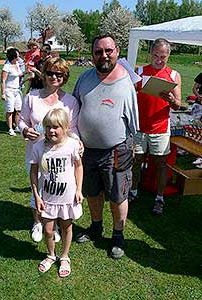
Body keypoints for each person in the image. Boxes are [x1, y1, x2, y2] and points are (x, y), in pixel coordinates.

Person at [73, 34, 139, 259]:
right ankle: (95, 227)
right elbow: (74, 108)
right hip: (87, 150)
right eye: (99, 51)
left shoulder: (125, 82)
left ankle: (118, 235)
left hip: (116, 151)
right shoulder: (84, 78)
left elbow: (134, 122)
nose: (104, 55)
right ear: (92, 55)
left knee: (117, 197)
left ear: (117, 52)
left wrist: (130, 148)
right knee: (92, 192)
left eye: (108, 50)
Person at [19, 57, 80, 244]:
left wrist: (78, 142)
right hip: (37, 152)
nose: (54, 77)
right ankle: (38, 222)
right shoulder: (32, 97)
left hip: (61, 156)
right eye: (50, 73)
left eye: (59, 74)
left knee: (57, 189)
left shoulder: (70, 101)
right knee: (37, 187)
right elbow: (21, 120)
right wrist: (24, 129)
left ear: (65, 76)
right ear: (43, 74)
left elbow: (74, 128)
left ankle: (53, 225)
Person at [129, 38, 181, 215]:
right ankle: (133, 191)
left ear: (168, 56)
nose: (159, 60)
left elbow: (178, 105)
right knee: (136, 160)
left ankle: (159, 197)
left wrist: (172, 100)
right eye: (156, 56)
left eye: (163, 57)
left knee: (160, 163)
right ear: (151, 53)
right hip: (140, 126)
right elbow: (130, 95)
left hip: (160, 127)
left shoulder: (174, 75)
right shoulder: (141, 71)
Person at [30, 108, 83, 276]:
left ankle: (65, 256)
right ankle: (51, 255)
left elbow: (79, 166)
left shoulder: (72, 145)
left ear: (66, 127)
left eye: (56, 127)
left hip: (68, 197)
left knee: (67, 227)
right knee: (48, 229)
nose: (51, 130)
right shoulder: (39, 146)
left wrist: (79, 189)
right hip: (47, 198)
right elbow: (33, 171)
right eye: (48, 127)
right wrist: (36, 195)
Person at [1, 48, 24, 136]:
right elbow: (3, 80)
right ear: (13, 56)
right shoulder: (7, 66)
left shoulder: (17, 64)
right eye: (17, 55)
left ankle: (17, 126)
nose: (19, 56)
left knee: (18, 109)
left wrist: (26, 72)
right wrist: (3, 93)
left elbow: (19, 74)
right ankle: (10, 128)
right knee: (10, 110)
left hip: (17, 90)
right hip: (9, 90)